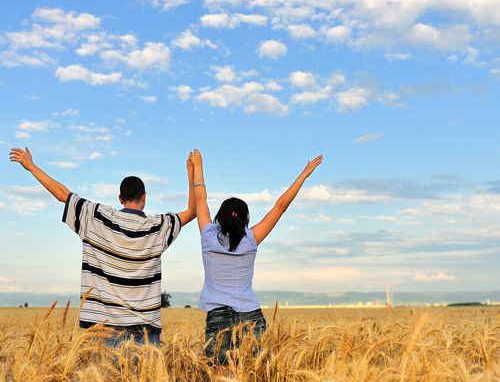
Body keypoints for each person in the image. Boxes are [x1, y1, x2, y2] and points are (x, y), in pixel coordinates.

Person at [9, 146, 196, 346]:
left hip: (104, 331)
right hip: (145, 331)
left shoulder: (96, 216)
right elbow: (193, 211)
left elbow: (62, 194)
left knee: (105, 368)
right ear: (144, 197)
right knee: (146, 369)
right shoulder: (158, 226)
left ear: (120, 198)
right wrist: (191, 172)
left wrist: (31, 166)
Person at [190, 149, 323, 364]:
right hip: (250, 313)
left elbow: (200, 198)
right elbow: (280, 207)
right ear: (245, 218)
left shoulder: (208, 236)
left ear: (220, 217)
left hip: (218, 315)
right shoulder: (251, 239)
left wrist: (197, 166)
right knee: (254, 372)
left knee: (219, 375)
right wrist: (305, 173)